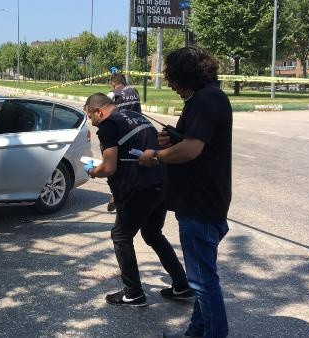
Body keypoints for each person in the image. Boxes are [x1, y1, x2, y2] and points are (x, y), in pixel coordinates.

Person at [138, 46, 232, 338]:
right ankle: (196, 331)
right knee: (202, 277)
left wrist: (155, 155)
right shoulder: (206, 98)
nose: (169, 84)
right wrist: (172, 141)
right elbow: (193, 142)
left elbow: (192, 149)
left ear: (185, 76)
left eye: (172, 78)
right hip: (203, 200)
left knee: (203, 282)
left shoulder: (206, 100)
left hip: (200, 204)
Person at [83, 93, 193, 307]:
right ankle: (182, 286)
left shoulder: (108, 126)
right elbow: (133, 156)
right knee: (152, 234)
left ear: (99, 111)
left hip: (139, 189)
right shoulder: (137, 116)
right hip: (161, 182)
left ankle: (133, 293)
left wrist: (93, 171)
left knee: (121, 236)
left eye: (90, 116)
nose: (91, 121)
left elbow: (110, 167)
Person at [105, 73, 143, 212]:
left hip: (121, 133)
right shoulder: (134, 90)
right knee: (135, 161)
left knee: (114, 163)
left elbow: (106, 112)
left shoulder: (112, 94)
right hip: (138, 130)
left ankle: (116, 193)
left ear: (114, 83)